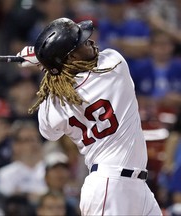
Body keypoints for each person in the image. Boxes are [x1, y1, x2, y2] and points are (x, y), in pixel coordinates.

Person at [17, 17, 162, 215]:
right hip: (110, 186)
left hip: (131, 187)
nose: (91, 42)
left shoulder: (56, 100)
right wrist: (43, 59)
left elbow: (48, 132)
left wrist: (48, 67)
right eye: (82, 44)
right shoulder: (114, 65)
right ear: (71, 58)